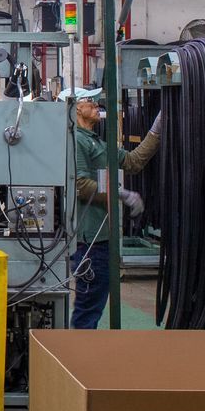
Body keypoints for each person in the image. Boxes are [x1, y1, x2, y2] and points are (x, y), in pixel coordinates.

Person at [67, 87, 162, 329]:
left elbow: (132, 162)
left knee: (93, 303)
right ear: (76, 107)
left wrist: (156, 130)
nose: (97, 103)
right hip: (89, 239)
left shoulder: (95, 140)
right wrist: (120, 193)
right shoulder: (76, 140)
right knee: (88, 306)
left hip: (102, 236)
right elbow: (78, 185)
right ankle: (79, 356)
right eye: (91, 100)